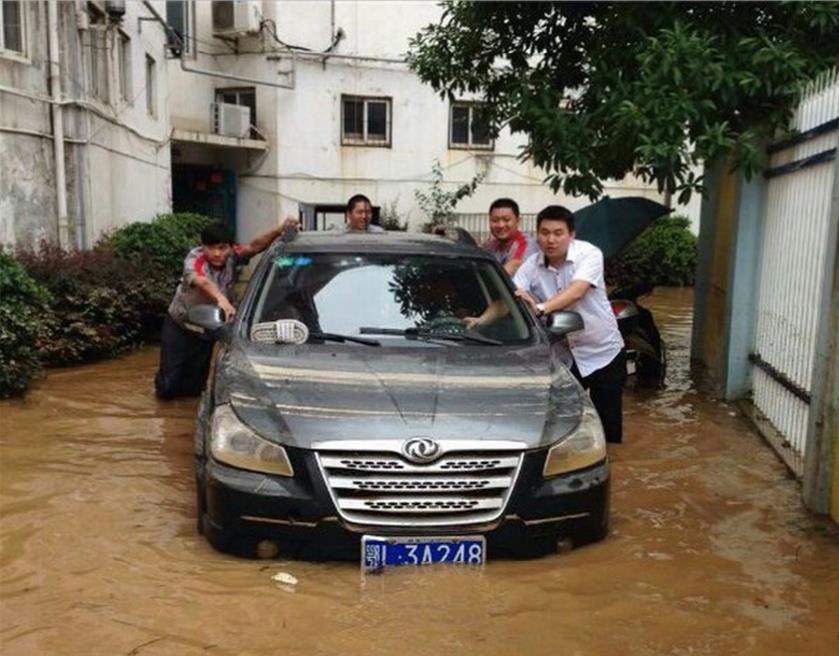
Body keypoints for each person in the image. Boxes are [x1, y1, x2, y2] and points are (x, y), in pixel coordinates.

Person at [514, 205, 626, 443]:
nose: (550, 240)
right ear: (537, 234)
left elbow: (577, 291)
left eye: (558, 233)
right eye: (544, 233)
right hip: (564, 356)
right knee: (558, 422)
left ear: (571, 235)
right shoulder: (531, 265)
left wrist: (541, 307)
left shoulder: (589, 254)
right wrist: (482, 320)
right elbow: (513, 294)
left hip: (603, 352)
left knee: (609, 431)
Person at [154, 218, 298, 399]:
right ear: (202, 246)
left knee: (195, 389)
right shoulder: (194, 260)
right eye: (210, 248)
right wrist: (221, 299)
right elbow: (203, 281)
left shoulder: (233, 256)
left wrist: (278, 230)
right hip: (180, 325)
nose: (216, 254)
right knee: (169, 386)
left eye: (222, 248)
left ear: (230, 248)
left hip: (208, 326)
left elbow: (254, 247)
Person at [481, 198, 537, 276]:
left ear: (518, 221)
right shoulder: (490, 245)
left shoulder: (525, 243)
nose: (501, 225)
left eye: (506, 220)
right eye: (495, 220)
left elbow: (512, 267)